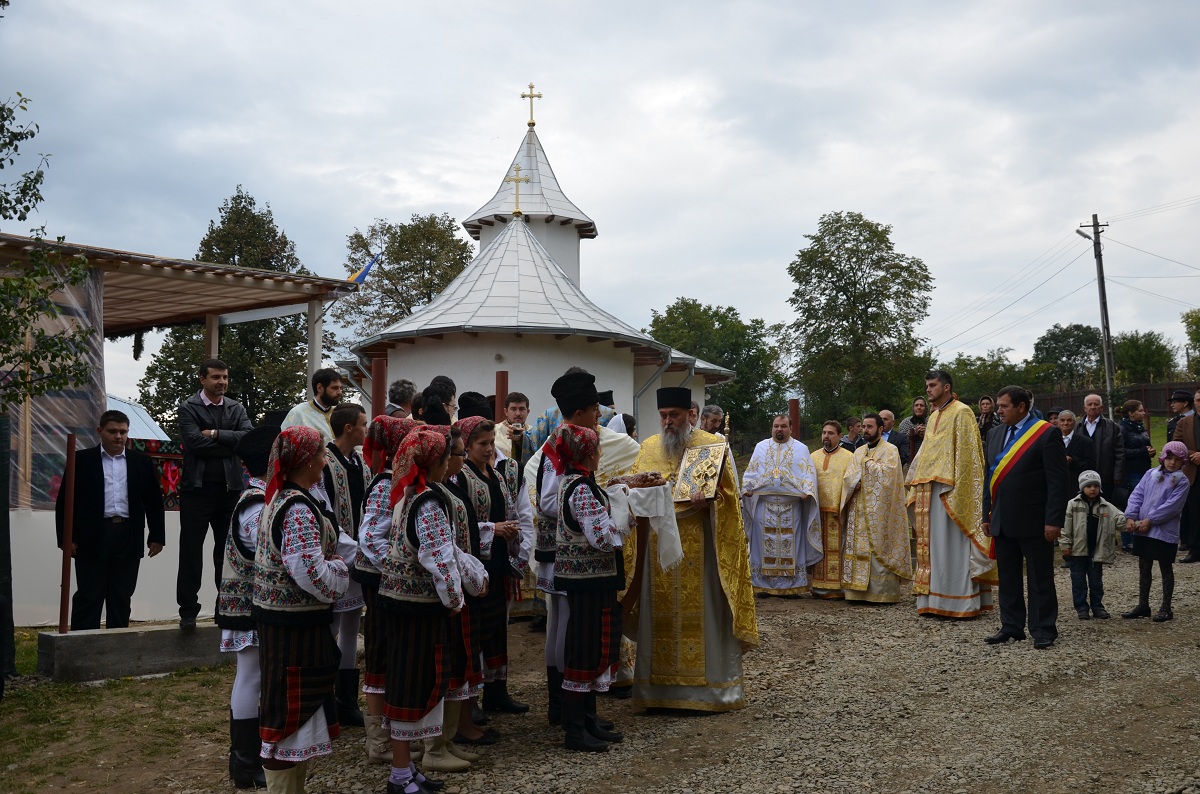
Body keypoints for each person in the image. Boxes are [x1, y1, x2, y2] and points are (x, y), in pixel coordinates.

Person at [624, 387, 757, 712]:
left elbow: (731, 501)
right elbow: (632, 490)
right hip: (657, 551)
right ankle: (658, 693)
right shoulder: (648, 447)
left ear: (690, 415)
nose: (668, 421)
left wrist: (712, 500)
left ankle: (710, 693)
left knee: (705, 615)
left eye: (675, 416)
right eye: (664, 416)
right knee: (660, 614)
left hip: (702, 549)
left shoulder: (712, 445)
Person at [377, 427, 487, 794]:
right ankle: (399, 774)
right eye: (447, 457)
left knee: (409, 684)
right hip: (416, 611)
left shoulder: (413, 494)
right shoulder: (428, 501)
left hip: (401, 606)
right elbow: (439, 557)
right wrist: (455, 600)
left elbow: (443, 552)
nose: (449, 463)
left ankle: (406, 770)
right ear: (435, 462)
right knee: (411, 687)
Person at [253, 425, 353, 791]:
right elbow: (308, 571)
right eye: (322, 456)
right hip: (292, 627)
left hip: (288, 624)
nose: (325, 462)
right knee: (288, 715)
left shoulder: (284, 497)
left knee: (292, 714)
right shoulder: (296, 508)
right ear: (308, 461)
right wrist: (340, 572)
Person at [552, 424, 626, 751]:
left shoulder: (576, 481)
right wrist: (625, 523)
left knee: (593, 644)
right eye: (595, 449)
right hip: (587, 580)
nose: (599, 454)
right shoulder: (580, 487)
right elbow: (601, 536)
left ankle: (588, 720)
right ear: (585, 453)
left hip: (589, 578)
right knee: (583, 647)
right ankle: (575, 729)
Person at [54, 409, 165, 631]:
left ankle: (117, 647)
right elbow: (65, 501)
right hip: (92, 535)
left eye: (123, 432)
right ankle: (83, 646)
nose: (118, 437)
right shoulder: (82, 460)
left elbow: (153, 501)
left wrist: (157, 536)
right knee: (89, 594)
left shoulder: (140, 462)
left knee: (121, 595)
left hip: (128, 535)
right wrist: (66, 539)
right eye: (113, 431)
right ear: (100, 431)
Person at [982, 385, 1071, 649]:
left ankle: (1043, 628)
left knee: (1039, 577)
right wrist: (987, 513)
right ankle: (1011, 625)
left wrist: (1054, 520)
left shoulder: (1046, 433)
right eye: (997, 406)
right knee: (1008, 577)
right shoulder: (996, 433)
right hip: (1001, 518)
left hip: (1034, 519)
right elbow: (990, 477)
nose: (998, 411)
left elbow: (1058, 481)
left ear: (1021, 407)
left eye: (1004, 406)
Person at [452, 416, 529, 716]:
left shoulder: (495, 474)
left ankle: (497, 692)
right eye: (481, 444)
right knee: (478, 632)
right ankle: (469, 703)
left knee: (497, 629)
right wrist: (492, 529)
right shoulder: (462, 477)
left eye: (490, 443)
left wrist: (511, 532)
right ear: (467, 446)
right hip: (476, 564)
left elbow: (508, 509)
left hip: (497, 562)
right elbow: (462, 523)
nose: (488, 450)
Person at [215, 426, 277, 789]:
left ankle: (249, 760)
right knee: (250, 675)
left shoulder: (261, 498)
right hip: (248, 605)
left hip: (252, 603)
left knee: (254, 676)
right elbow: (266, 550)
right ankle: (244, 763)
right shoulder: (255, 503)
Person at [354, 415, 418, 766]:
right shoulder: (384, 485)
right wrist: (397, 570)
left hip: (390, 582)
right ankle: (377, 737)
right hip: (379, 582)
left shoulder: (402, 480)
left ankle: (395, 732)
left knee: (394, 653)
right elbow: (370, 537)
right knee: (379, 654)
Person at [907, 370, 996, 619]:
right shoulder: (934, 415)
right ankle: (934, 598)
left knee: (951, 546)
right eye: (926, 385)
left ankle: (958, 602)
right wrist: (914, 483)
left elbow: (969, 458)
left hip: (951, 492)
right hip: (929, 490)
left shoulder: (962, 412)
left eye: (932, 385)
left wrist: (961, 492)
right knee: (933, 547)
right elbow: (925, 454)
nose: (928, 390)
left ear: (946, 387)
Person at [177, 357, 252, 630]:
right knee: (191, 552)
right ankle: (188, 611)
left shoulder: (236, 407)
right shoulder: (188, 407)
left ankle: (226, 608)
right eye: (216, 377)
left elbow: (248, 438)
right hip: (196, 491)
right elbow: (194, 444)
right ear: (202, 379)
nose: (221, 382)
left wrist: (215, 434)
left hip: (230, 490)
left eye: (225, 377)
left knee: (227, 553)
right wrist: (229, 441)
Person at [315, 402, 370, 728]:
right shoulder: (325, 464)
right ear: (349, 428)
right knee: (333, 625)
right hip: (336, 554)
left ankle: (347, 700)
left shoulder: (359, 462)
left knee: (351, 624)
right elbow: (324, 511)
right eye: (363, 423)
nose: (366, 429)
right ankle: (324, 699)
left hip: (358, 552)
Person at [740, 415, 821, 596]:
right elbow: (751, 472)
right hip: (765, 505)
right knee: (763, 543)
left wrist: (807, 491)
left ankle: (792, 586)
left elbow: (808, 474)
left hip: (790, 507)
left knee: (790, 542)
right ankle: (762, 584)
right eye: (776, 426)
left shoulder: (801, 449)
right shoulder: (761, 447)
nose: (779, 429)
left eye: (783, 426)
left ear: (790, 428)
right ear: (772, 428)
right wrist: (748, 488)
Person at [840, 414, 912, 602]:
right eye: (863, 426)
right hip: (858, 507)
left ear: (880, 429)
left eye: (870, 426)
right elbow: (849, 476)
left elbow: (889, 477)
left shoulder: (890, 450)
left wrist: (866, 466)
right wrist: (852, 483)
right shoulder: (858, 451)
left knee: (878, 546)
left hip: (880, 510)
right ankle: (855, 591)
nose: (865, 430)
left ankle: (881, 593)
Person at [1122, 442, 1192, 622]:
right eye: (1169, 458)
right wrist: (1131, 516)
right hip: (1143, 530)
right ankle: (1143, 605)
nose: (1172, 463)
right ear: (1163, 457)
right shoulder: (1150, 474)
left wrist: (1150, 520)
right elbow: (1137, 494)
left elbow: (1172, 506)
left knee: (1165, 567)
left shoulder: (1182, 481)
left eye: (1177, 460)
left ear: (1182, 462)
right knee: (1144, 566)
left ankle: (1166, 607)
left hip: (1163, 531)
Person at [1060, 470, 1125, 621]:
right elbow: (1066, 527)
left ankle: (1097, 607)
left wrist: (1130, 521)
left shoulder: (1105, 506)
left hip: (1096, 552)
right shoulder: (1073, 504)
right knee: (1078, 582)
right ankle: (1081, 608)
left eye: (1096, 485)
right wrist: (1065, 544)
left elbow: (1119, 517)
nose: (1092, 489)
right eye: (1088, 485)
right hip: (1077, 552)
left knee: (1096, 582)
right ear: (1082, 487)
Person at [521, 368, 616, 459]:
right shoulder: (549, 416)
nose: (599, 414)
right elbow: (532, 441)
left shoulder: (609, 415)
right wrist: (520, 439)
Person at [810, 421, 854, 599]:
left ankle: (838, 587)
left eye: (830, 433)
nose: (826, 436)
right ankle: (818, 585)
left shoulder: (849, 457)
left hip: (837, 511)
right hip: (816, 511)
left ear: (839, 436)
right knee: (818, 548)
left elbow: (852, 482)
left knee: (838, 549)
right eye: (824, 432)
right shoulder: (812, 457)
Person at [1081, 393, 1125, 505]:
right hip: (1082, 476)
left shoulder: (1112, 427)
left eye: (1096, 404)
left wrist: (1118, 474)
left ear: (1101, 408)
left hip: (1106, 476)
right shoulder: (1077, 427)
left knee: (1105, 507)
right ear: (1084, 408)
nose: (1093, 406)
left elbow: (1120, 452)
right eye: (1089, 404)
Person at [282, 368, 344, 445]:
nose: (339, 392)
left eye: (340, 388)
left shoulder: (341, 414)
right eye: (334, 388)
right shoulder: (298, 413)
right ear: (319, 388)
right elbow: (287, 446)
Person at [1172, 394, 1200, 563]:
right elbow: (1176, 445)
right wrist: (1193, 455)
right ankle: (1195, 550)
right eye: (1198, 400)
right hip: (1193, 473)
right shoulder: (1184, 423)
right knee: (1195, 513)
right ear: (1194, 402)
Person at [1058, 410, 1096, 483]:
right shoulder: (1052, 441)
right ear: (1058, 423)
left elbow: (1091, 466)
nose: (1065, 423)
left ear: (1074, 423)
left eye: (1069, 420)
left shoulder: (1086, 442)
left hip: (1077, 483)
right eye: (1062, 420)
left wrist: (1073, 461)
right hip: (1057, 484)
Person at [494, 391, 530, 461]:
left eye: (522, 409)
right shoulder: (493, 431)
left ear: (528, 411)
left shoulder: (535, 432)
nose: (518, 413)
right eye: (513, 409)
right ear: (506, 412)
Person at [902, 397, 929, 463]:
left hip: (928, 458)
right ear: (913, 408)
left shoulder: (932, 420)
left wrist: (926, 434)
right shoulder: (905, 422)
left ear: (926, 408)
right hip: (911, 459)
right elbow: (902, 441)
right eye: (916, 405)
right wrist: (914, 432)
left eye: (921, 405)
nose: (919, 407)